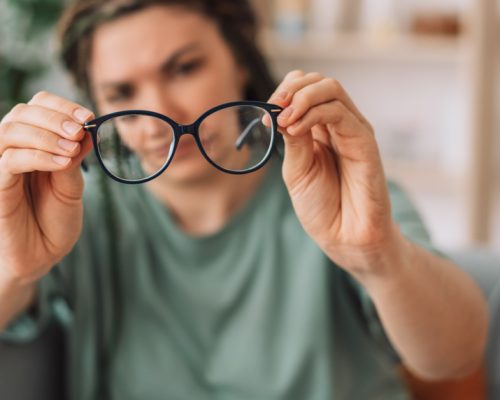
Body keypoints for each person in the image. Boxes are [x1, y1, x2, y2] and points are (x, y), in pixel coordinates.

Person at [0, 1, 488, 399]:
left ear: (239, 59)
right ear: (96, 105)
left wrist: (378, 256)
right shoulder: (75, 209)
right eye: (122, 91)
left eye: (185, 68)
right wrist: (13, 268)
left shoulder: (337, 188)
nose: (159, 115)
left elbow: (457, 355)